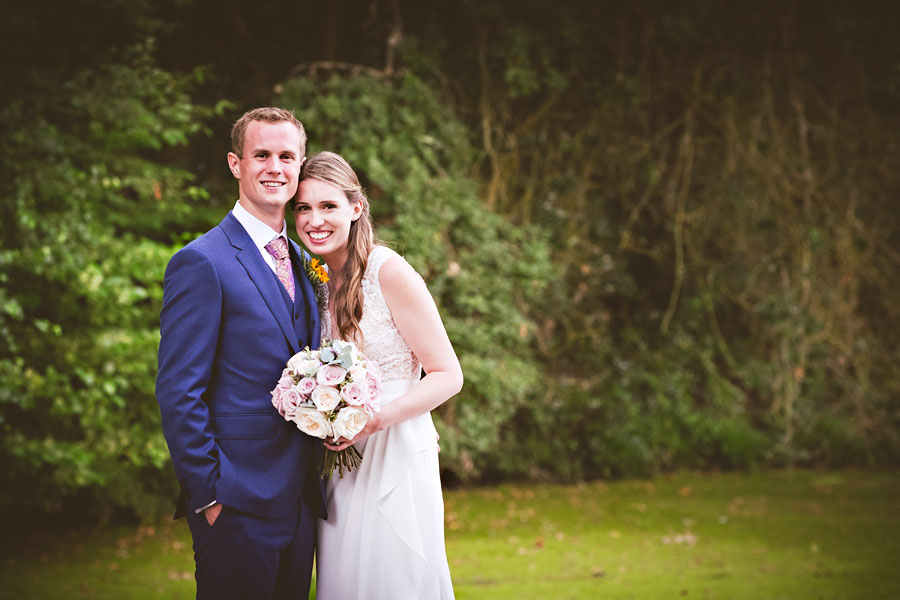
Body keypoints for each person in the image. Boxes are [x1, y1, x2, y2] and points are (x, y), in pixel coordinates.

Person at [156, 107, 325, 600]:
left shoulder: (306, 262)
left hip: (300, 501)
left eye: (287, 156)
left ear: (300, 165)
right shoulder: (201, 261)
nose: (275, 167)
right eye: (262, 155)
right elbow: (178, 389)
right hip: (235, 503)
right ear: (236, 164)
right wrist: (209, 494)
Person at [293, 151, 463, 599]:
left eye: (328, 206)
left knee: (394, 576)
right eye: (304, 208)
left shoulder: (388, 271)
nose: (315, 219)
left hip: (394, 449)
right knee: (347, 576)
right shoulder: (315, 279)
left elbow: (448, 374)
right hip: (341, 461)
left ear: (356, 207)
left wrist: (375, 419)